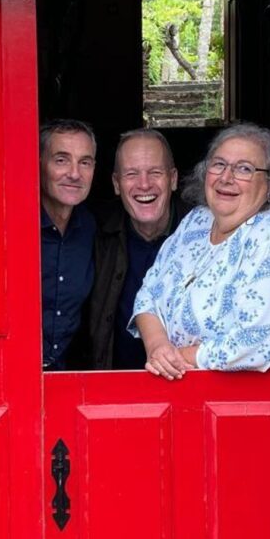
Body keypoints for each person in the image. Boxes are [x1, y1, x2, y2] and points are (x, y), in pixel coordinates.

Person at [130, 123, 270, 378]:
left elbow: (260, 343)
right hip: (179, 395)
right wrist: (158, 347)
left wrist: (177, 359)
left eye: (244, 169)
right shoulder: (197, 221)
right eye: (219, 165)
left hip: (248, 407)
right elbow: (148, 294)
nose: (226, 178)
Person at [88, 129, 191, 370]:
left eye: (155, 172)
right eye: (131, 174)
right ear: (116, 183)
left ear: (173, 178)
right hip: (110, 387)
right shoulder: (93, 230)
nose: (144, 184)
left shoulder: (204, 231)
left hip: (186, 383)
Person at [40, 119, 97, 370]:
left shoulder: (93, 228)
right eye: (61, 160)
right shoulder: (13, 228)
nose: (74, 174)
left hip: (66, 376)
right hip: (11, 378)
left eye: (84, 162)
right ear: (39, 164)